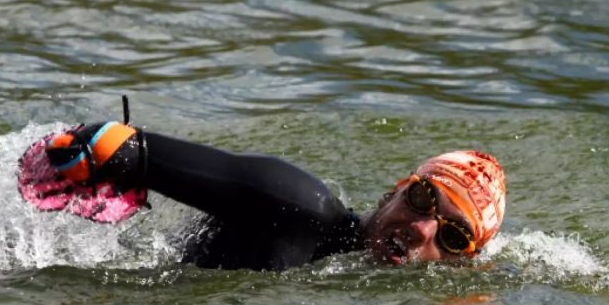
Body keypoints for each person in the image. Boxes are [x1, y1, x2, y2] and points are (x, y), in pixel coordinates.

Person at [42, 120, 507, 271]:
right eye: (424, 200)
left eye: (452, 236)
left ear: (462, 262)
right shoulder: (292, 204)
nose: (422, 228)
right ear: (395, 191)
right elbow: (106, 143)